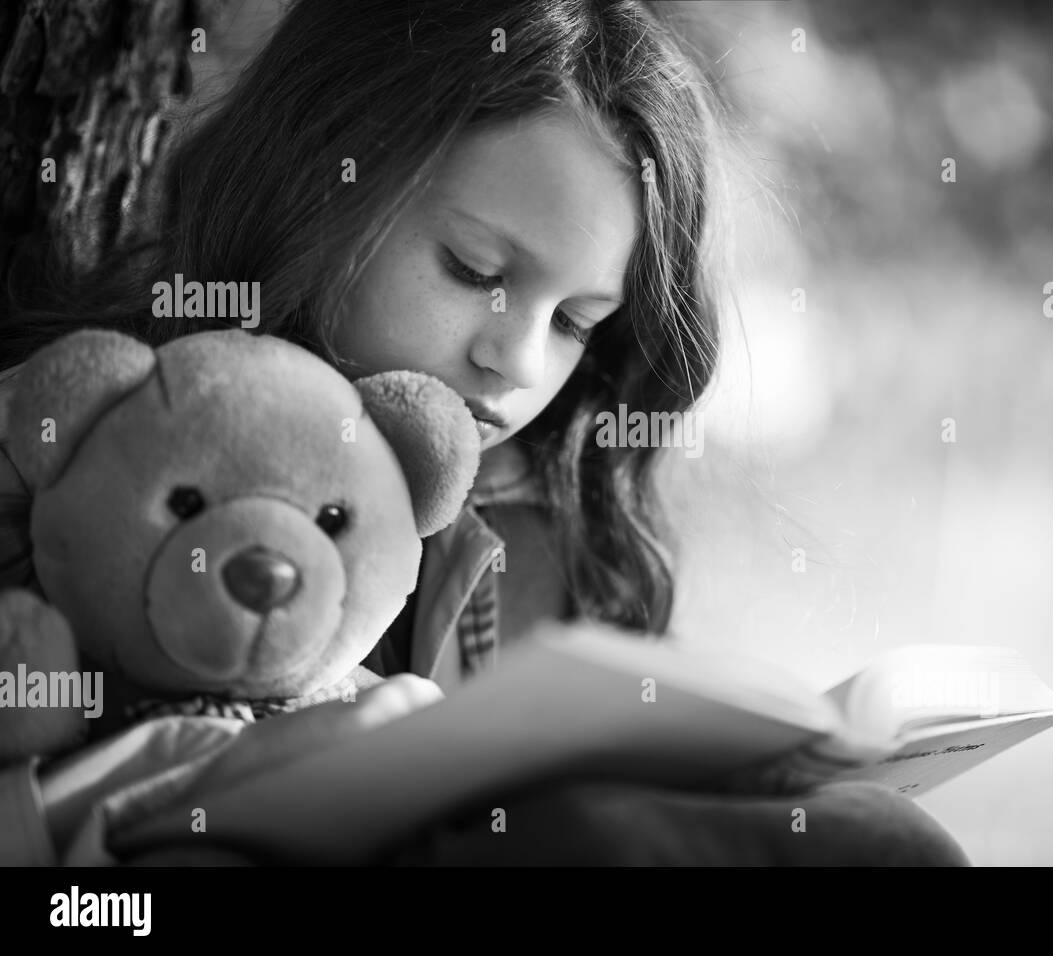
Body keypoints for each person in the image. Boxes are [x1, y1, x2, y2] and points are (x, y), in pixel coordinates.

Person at [0, 0, 968, 865]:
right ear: (317, 180)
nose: (519, 359)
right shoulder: (96, 448)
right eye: (474, 271)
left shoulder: (535, 533)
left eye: (576, 322)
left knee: (878, 831)